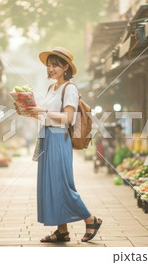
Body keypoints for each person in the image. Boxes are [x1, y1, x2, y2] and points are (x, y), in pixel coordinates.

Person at [14, 46, 102, 243]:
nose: (51, 69)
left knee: (62, 185)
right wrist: (27, 110)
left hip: (59, 139)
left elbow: (68, 119)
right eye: (49, 65)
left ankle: (90, 219)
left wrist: (42, 112)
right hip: (46, 137)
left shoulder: (69, 88)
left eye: (56, 65)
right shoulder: (51, 88)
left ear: (65, 67)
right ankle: (62, 231)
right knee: (51, 185)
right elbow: (46, 114)